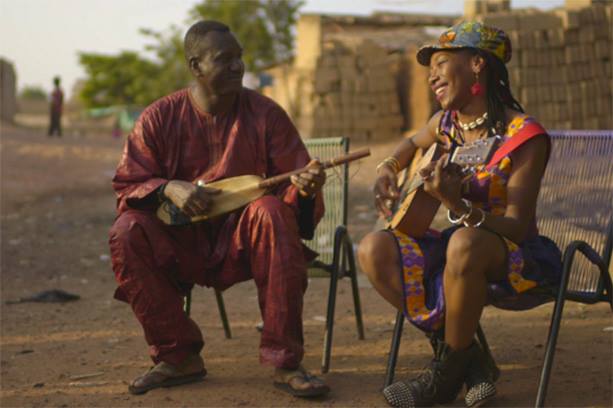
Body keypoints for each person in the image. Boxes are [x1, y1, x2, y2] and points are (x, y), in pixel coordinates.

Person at [109, 20, 330, 398]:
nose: (237, 67)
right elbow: (127, 186)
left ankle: (284, 361)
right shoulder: (158, 118)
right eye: (223, 59)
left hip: (242, 242)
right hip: (181, 242)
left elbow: (294, 185)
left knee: (271, 212)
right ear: (195, 66)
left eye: (239, 58)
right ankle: (178, 356)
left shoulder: (266, 115)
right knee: (126, 232)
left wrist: (306, 190)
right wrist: (167, 188)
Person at [358, 22, 562, 408]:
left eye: (440, 62)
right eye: (430, 67)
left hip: (516, 257)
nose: (431, 75)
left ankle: (442, 378)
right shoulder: (446, 125)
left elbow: (517, 227)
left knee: (465, 244)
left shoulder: (525, 137)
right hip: (460, 251)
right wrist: (388, 167)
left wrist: (457, 206)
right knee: (373, 248)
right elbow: (410, 143)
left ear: (477, 65)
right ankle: (470, 362)